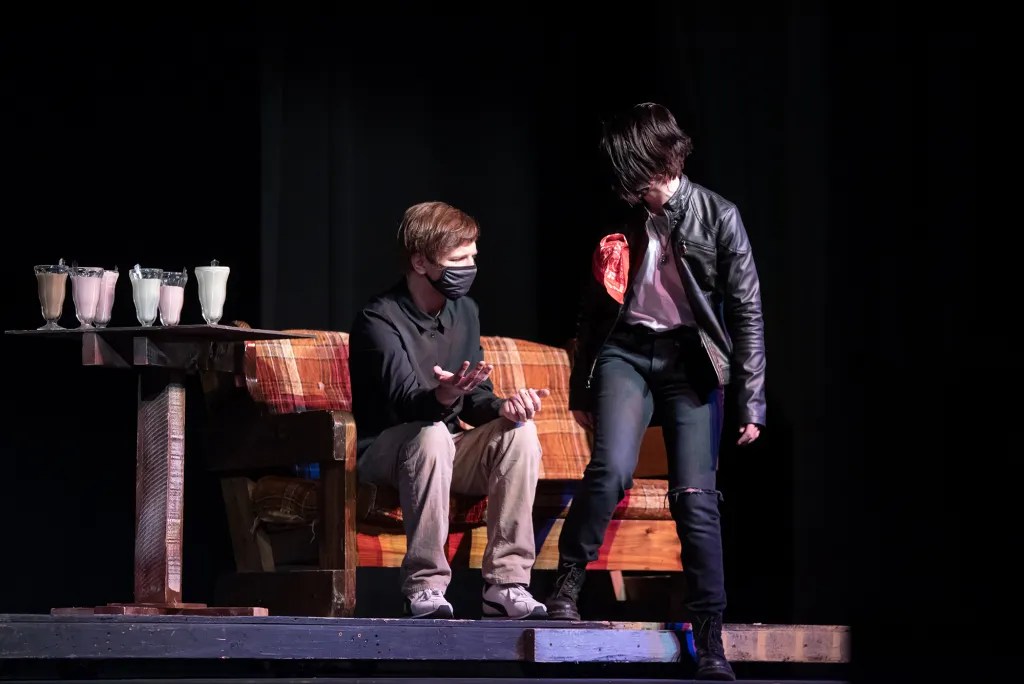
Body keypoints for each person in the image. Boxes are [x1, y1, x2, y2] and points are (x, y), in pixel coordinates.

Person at [545, 102, 766, 681]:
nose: (631, 184)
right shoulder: (620, 212)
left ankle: (710, 637)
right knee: (611, 469)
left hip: (689, 360)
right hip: (626, 352)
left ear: (664, 158)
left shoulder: (719, 216)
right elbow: (593, 309)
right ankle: (567, 583)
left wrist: (751, 399)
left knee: (695, 496)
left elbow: (746, 313)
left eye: (638, 169)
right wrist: (583, 385)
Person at [349, 200, 550, 620]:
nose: (470, 266)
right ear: (420, 262)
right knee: (433, 433)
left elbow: (476, 401)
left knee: (520, 433)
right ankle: (424, 587)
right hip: (385, 450)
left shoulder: (465, 312)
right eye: (458, 258)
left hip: (444, 446)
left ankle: (506, 584)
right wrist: (442, 397)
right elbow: (405, 401)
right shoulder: (378, 319)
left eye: (472, 256)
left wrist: (504, 407)